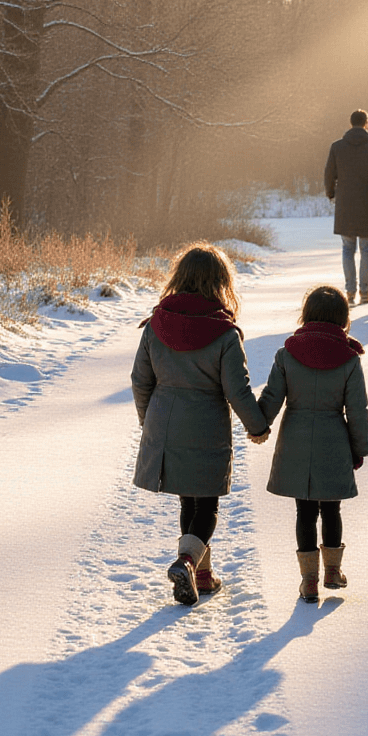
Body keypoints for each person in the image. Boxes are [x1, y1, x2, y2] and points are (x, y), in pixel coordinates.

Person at [131, 244, 269, 605]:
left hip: (165, 425)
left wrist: (150, 424)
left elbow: (140, 380)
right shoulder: (224, 333)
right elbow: (237, 391)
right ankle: (188, 562)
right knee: (206, 506)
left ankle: (202, 576)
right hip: (206, 429)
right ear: (221, 282)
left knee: (188, 505)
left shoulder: (156, 325)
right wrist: (257, 427)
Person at [255, 283, 368, 603]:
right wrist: (359, 449)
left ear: (306, 315)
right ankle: (332, 571)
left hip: (295, 441)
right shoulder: (349, 359)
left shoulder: (287, 354)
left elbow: (272, 398)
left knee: (304, 511)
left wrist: (257, 424)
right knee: (331, 508)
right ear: (343, 318)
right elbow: (357, 411)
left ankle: (309, 581)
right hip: (334, 442)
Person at [324, 108, 368, 304]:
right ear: (366, 123)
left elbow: (329, 174)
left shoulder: (337, 147)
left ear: (351, 123)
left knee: (347, 248)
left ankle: (350, 292)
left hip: (345, 204)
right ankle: (364, 292)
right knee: (367, 249)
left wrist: (331, 194)